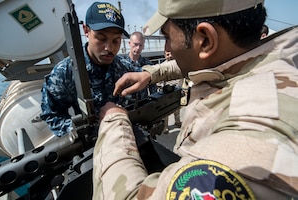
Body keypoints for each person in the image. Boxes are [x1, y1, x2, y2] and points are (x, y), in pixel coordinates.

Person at [93, 0, 298, 199]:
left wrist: (114, 122)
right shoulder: (264, 59)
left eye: (167, 37)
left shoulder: (253, 132)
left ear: (206, 39)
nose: (168, 49)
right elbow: (207, 62)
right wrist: (152, 74)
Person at [40, 2, 135, 137]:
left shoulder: (126, 69)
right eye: (101, 38)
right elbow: (52, 115)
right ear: (86, 31)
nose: (109, 48)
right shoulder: (65, 73)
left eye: (116, 40)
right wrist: (82, 132)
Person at [123, 31, 157, 100]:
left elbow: (153, 87)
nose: (138, 48)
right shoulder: (121, 64)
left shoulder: (147, 64)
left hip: (143, 103)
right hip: (126, 105)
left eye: (140, 45)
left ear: (143, 46)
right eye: (135, 44)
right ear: (129, 43)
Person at [161, 50, 182, 134]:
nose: (169, 56)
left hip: (178, 89)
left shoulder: (178, 64)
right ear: (164, 55)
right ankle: (165, 126)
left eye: (171, 54)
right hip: (167, 91)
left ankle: (177, 121)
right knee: (166, 111)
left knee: (177, 107)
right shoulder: (162, 66)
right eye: (167, 54)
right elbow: (159, 80)